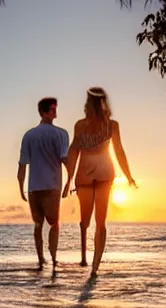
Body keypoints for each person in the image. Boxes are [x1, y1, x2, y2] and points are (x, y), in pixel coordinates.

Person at [63, 87, 137, 277]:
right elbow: (74, 151)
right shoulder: (80, 125)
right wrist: (68, 180)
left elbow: (119, 151)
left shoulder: (112, 126)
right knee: (87, 220)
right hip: (85, 176)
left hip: (104, 175)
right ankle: (85, 257)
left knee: (100, 221)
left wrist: (128, 176)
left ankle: (94, 265)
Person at [18, 97, 69, 270]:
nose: (55, 113)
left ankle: (41, 260)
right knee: (54, 224)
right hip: (52, 186)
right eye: (53, 110)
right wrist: (69, 181)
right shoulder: (61, 134)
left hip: (34, 188)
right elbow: (65, 160)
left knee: (38, 225)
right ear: (43, 112)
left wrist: (21, 188)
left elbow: (22, 165)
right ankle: (53, 259)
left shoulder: (29, 135)